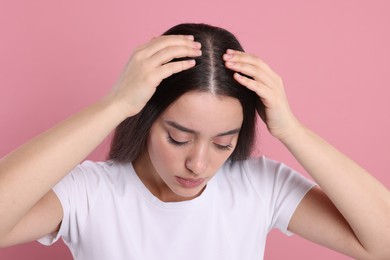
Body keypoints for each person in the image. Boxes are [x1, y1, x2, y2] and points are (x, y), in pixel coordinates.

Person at [0, 23, 389, 260]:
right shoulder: (89, 192)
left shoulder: (259, 186)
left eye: (224, 143)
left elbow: (383, 242)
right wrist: (114, 104)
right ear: (145, 118)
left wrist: (293, 131)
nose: (199, 165)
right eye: (178, 138)